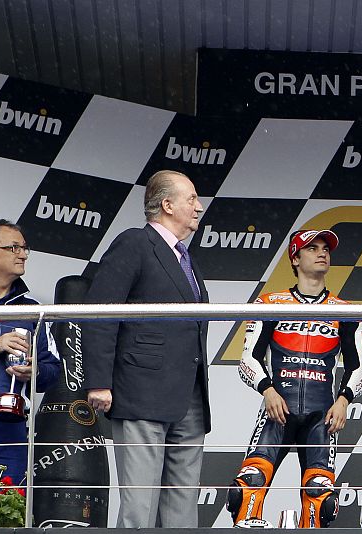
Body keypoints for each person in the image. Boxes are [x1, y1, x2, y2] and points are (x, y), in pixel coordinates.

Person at [82, 170, 211, 527]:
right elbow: (99, 313)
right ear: (167, 205)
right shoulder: (135, 243)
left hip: (190, 395)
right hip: (141, 392)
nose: (199, 207)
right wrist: (99, 382)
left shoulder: (187, 259)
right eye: (192, 199)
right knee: (140, 504)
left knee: (183, 505)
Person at [228, 229, 362, 528]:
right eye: (312, 248)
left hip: (321, 417)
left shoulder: (348, 311)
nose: (322, 253)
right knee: (247, 487)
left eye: (325, 249)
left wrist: (344, 400)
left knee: (321, 497)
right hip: (277, 411)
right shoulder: (270, 304)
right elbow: (247, 359)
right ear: (295, 258)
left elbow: (358, 369)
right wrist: (267, 390)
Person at [0, 219, 60, 494]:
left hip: (10, 422)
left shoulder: (34, 309)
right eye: (13, 247)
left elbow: (53, 369)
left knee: (5, 509)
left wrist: (36, 372)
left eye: (24, 248)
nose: (22, 254)